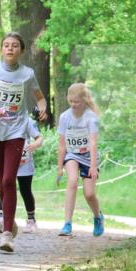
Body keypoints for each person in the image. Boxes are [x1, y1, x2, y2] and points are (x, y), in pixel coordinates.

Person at [0, 32, 47, 253]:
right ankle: (10, 223)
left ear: (21, 50)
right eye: (6, 45)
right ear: (1, 49)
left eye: (15, 46)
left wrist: (42, 108)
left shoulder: (27, 74)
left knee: (8, 180)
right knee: (1, 182)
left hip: (16, 130)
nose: (10, 49)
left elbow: (40, 97)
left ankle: (6, 236)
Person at [56, 83, 104, 237]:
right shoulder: (64, 117)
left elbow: (93, 143)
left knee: (89, 194)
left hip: (89, 157)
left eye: (77, 101)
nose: (73, 105)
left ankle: (98, 217)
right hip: (72, 155)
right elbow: (62, 144)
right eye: (71, 101)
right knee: (72, 181)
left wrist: (93, 166)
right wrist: (59, 168)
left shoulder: (91, 117)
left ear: (84, 100)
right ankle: (67, 223)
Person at [0, 116, 44, 233]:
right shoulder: (1, 120)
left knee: (25, 190)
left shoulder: (27, 121)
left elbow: (40, 137)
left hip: (24, 163)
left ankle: (31, 220)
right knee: (5, 184)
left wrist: (35, 144)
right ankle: (1, 219)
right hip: (8, 161)